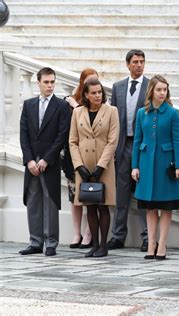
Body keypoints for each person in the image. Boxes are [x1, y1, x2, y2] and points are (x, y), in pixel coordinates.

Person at [19, 67, 71, 256]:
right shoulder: (28, 105)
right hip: (32, 162)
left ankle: (50, 243)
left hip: (50, 162)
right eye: (46, 82)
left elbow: (62, 135)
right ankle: (35, 241)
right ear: (38, 83)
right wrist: (30, 160)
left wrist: (47, 159)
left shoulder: (62, 106)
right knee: (33, 200)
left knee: (50, 201)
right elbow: (23, 135)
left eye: (52, 82)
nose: (50, 86)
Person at [131, 75, 179, 260]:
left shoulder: (172, 113)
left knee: (166, 207)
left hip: (165, 165)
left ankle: (162, 244)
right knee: (150, 207)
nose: (162, 93)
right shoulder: (141, 113)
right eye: (159, 89)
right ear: (151, 91)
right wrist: (134, 166)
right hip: (145, 165)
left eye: (165, 89)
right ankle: (150, 243)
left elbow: (177, 140)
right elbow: (137, 140)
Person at [69, 78, 119, 257]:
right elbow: (72, 141)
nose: (98, 95)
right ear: (86, 95)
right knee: (89, 206)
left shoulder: (112, 111)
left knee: (103, 205)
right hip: (84, 165)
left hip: (103, 166)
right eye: (94, 93)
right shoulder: (78, 112)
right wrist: (79, 165)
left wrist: (100, 167)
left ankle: (103, 245)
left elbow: (113, 141)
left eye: (100, 92)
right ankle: (95, 245)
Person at [109, 49, 150, 251]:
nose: (139, 65)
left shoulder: (151, 85)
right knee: (121, 193)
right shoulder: (118, 87)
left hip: (143, 146)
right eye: (135, 62)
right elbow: (113, 119)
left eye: (142, 61)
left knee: (143, 192)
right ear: (128, 64)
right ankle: (118, 236)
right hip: (123, 144)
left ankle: (146, 237)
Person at [63, 68, 99, 249]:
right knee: (74, 197)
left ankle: (89, 233)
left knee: (91, 195)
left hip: (93, 156)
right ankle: (76, 233)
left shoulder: (97, 103)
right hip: (73, 155)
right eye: (88, 80)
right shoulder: (70, 101)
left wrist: (76, 107)